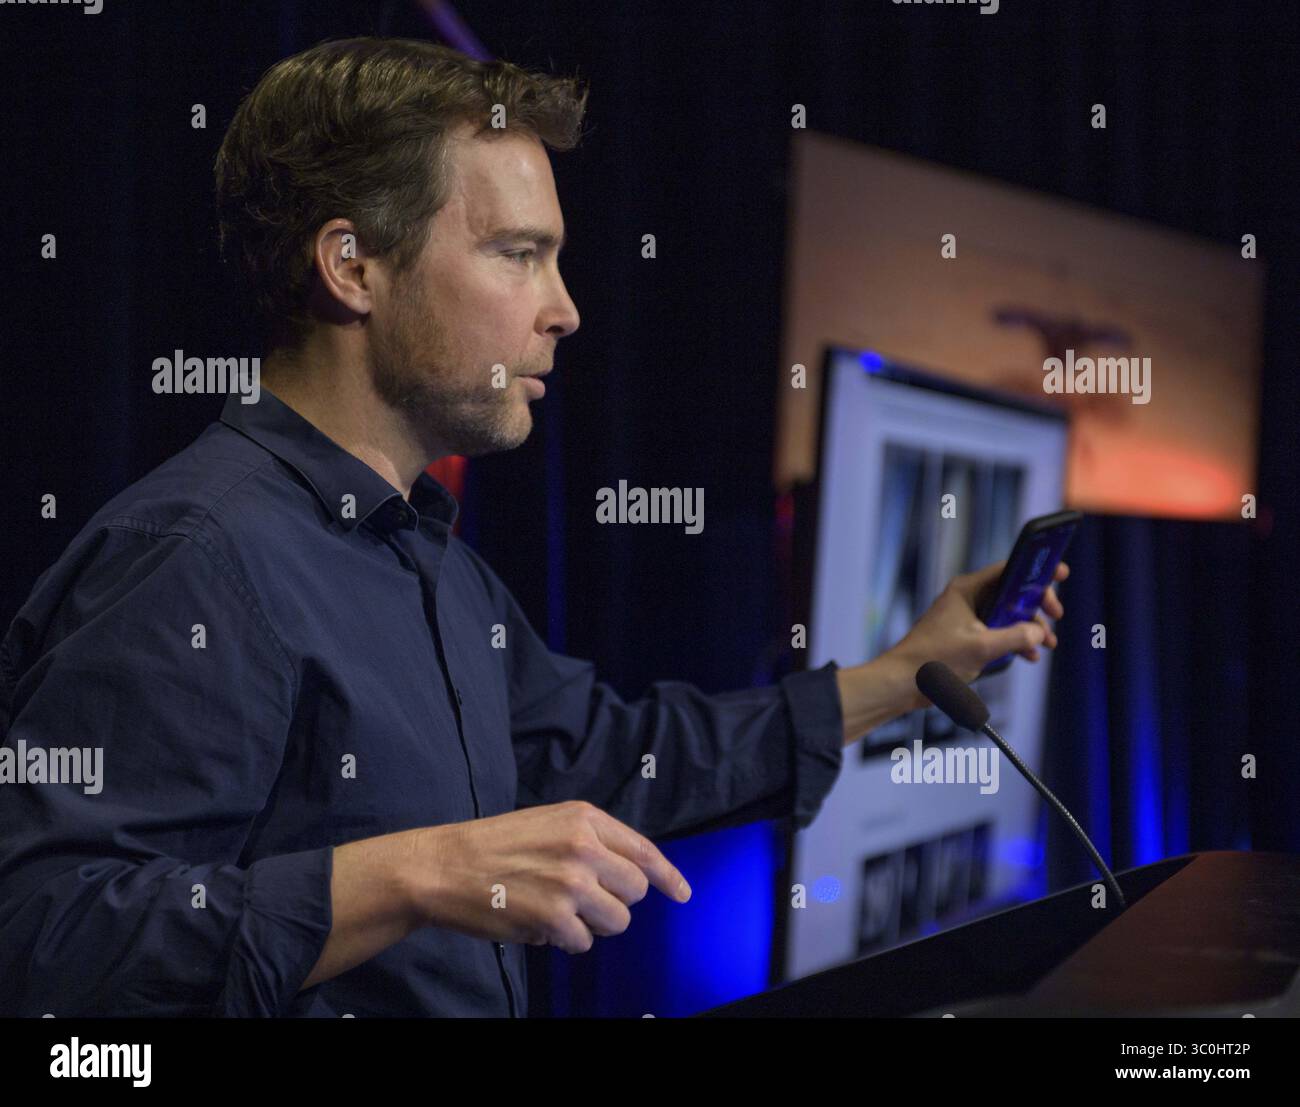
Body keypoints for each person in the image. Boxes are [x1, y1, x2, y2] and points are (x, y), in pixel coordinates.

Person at [0, 38, 1064, 1017]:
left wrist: (904, 671)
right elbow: (43, 938)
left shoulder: (425, 557)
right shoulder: (193, 557)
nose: (564, 309)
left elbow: (606, 757)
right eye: (518, 253)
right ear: (352, 267)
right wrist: (413, 874)